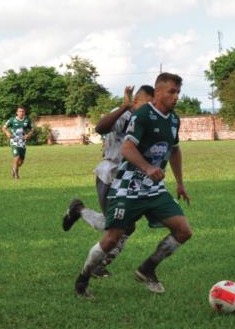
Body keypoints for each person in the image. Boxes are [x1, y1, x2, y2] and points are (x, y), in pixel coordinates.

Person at [74, 72, 192, 298]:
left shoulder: (174, 119)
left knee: (183, 231)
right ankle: (83, 278)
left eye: (178, 92)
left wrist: (180, 183)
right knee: (111, 238)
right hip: (128, 187)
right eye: (171, 92)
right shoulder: (143, 116)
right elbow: (127, 148)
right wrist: (148, 168)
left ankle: (147, 269)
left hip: (154, 188)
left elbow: (174, 150)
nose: (176, 97)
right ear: (158, 92)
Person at [62, 85, 155, 277]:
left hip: (131, 178)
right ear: (136, 101)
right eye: (148, 104)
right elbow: (101, 128)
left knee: (124, 225)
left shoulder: (147, 120)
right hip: (111, 175)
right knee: (116, 226)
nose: (151, 108)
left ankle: (79, 213)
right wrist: (123, 107)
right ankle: (79, 212)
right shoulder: (123, 114)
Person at [2, 106, 34, 179]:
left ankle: (14, 168)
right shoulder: (12, 120)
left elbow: (32, 129)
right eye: (19, 111)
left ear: (24, 112)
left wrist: (28, 135)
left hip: (22, 142)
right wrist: (7, 133)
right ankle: (16, 175)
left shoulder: (27, 120)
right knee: (17, 157)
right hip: (14, 141)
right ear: (17, 112)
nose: (21, 113)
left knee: (21, 162)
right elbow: (3, 128)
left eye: (22, 111)